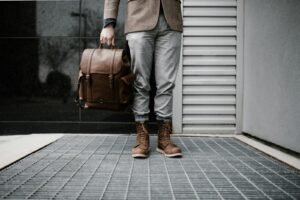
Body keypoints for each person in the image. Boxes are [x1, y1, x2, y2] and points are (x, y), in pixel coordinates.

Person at [100, 0, 183, 158]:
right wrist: (108, 23)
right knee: (140, 83)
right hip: (139, 19)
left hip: (171, 20)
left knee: (167, 83)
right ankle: (142, 135)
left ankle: (164, 137)